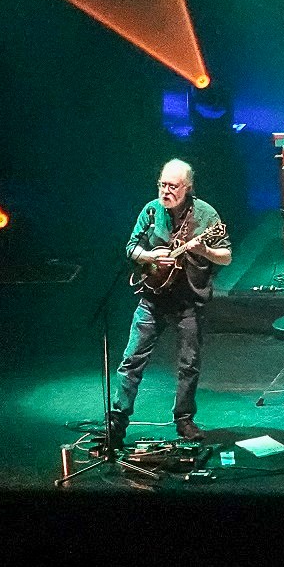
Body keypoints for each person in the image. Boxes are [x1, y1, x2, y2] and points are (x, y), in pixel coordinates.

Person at [107, 159, 230, 448]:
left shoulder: (206, 215)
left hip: (188, 300)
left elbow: (226, 256)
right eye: (162, 184)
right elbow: (131, 247)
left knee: (189, 363)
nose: (165, 191)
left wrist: (205, 249)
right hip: (152, 297)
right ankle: (117, 421)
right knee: (132, 360)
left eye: (172, 186)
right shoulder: (151, 210)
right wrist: (150, 257)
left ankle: (184, 419)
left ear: (187, 187)